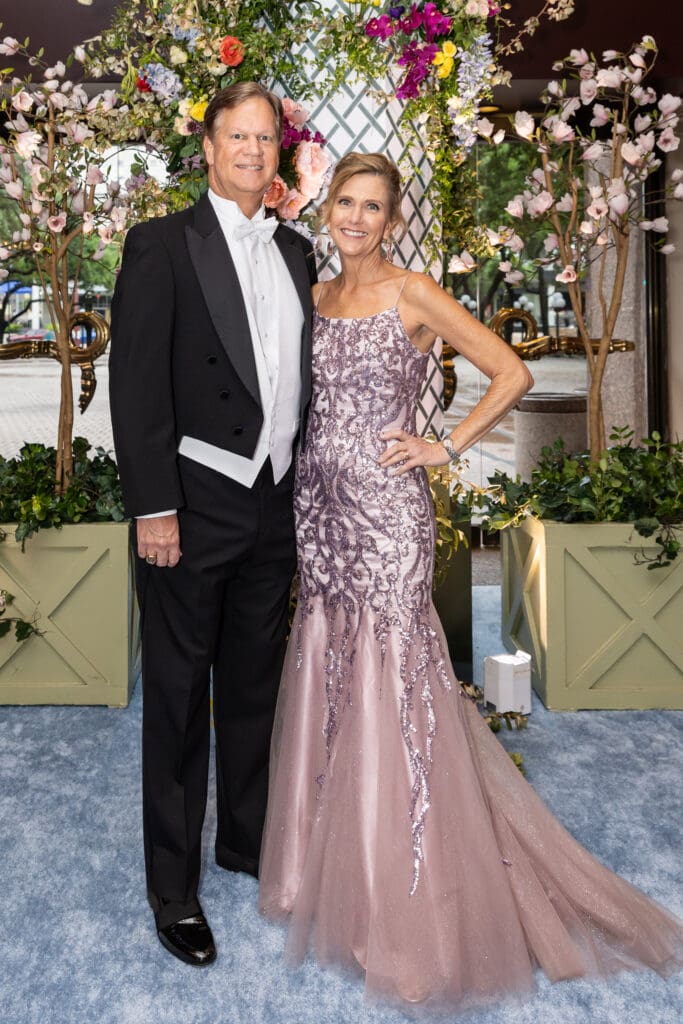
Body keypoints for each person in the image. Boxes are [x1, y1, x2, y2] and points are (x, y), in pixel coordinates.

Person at [258, 152, 683, 1011]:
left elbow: (512, 372)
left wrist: (442, 446)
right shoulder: (310, 293)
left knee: (393, 683)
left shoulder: (414, 293)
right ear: (327, 207)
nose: (355, 218)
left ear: (391, 217)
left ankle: (399, 884)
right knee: (328, 667)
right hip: (318, 511)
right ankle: (323, 861)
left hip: (386, 519)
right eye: (345, 201)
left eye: (373, 206)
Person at [109, 82, 316, 967]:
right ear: (207, 146)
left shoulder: (299, 250)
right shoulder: (160, 244)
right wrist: (154, 506)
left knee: (253, 691)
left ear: (278, 149)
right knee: (177, 705)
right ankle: (173, 889)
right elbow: (136, 386)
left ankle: (243, 842)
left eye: (265, 138)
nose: (252, 150)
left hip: (273, 503)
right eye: (237, 135)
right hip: (190, 507)